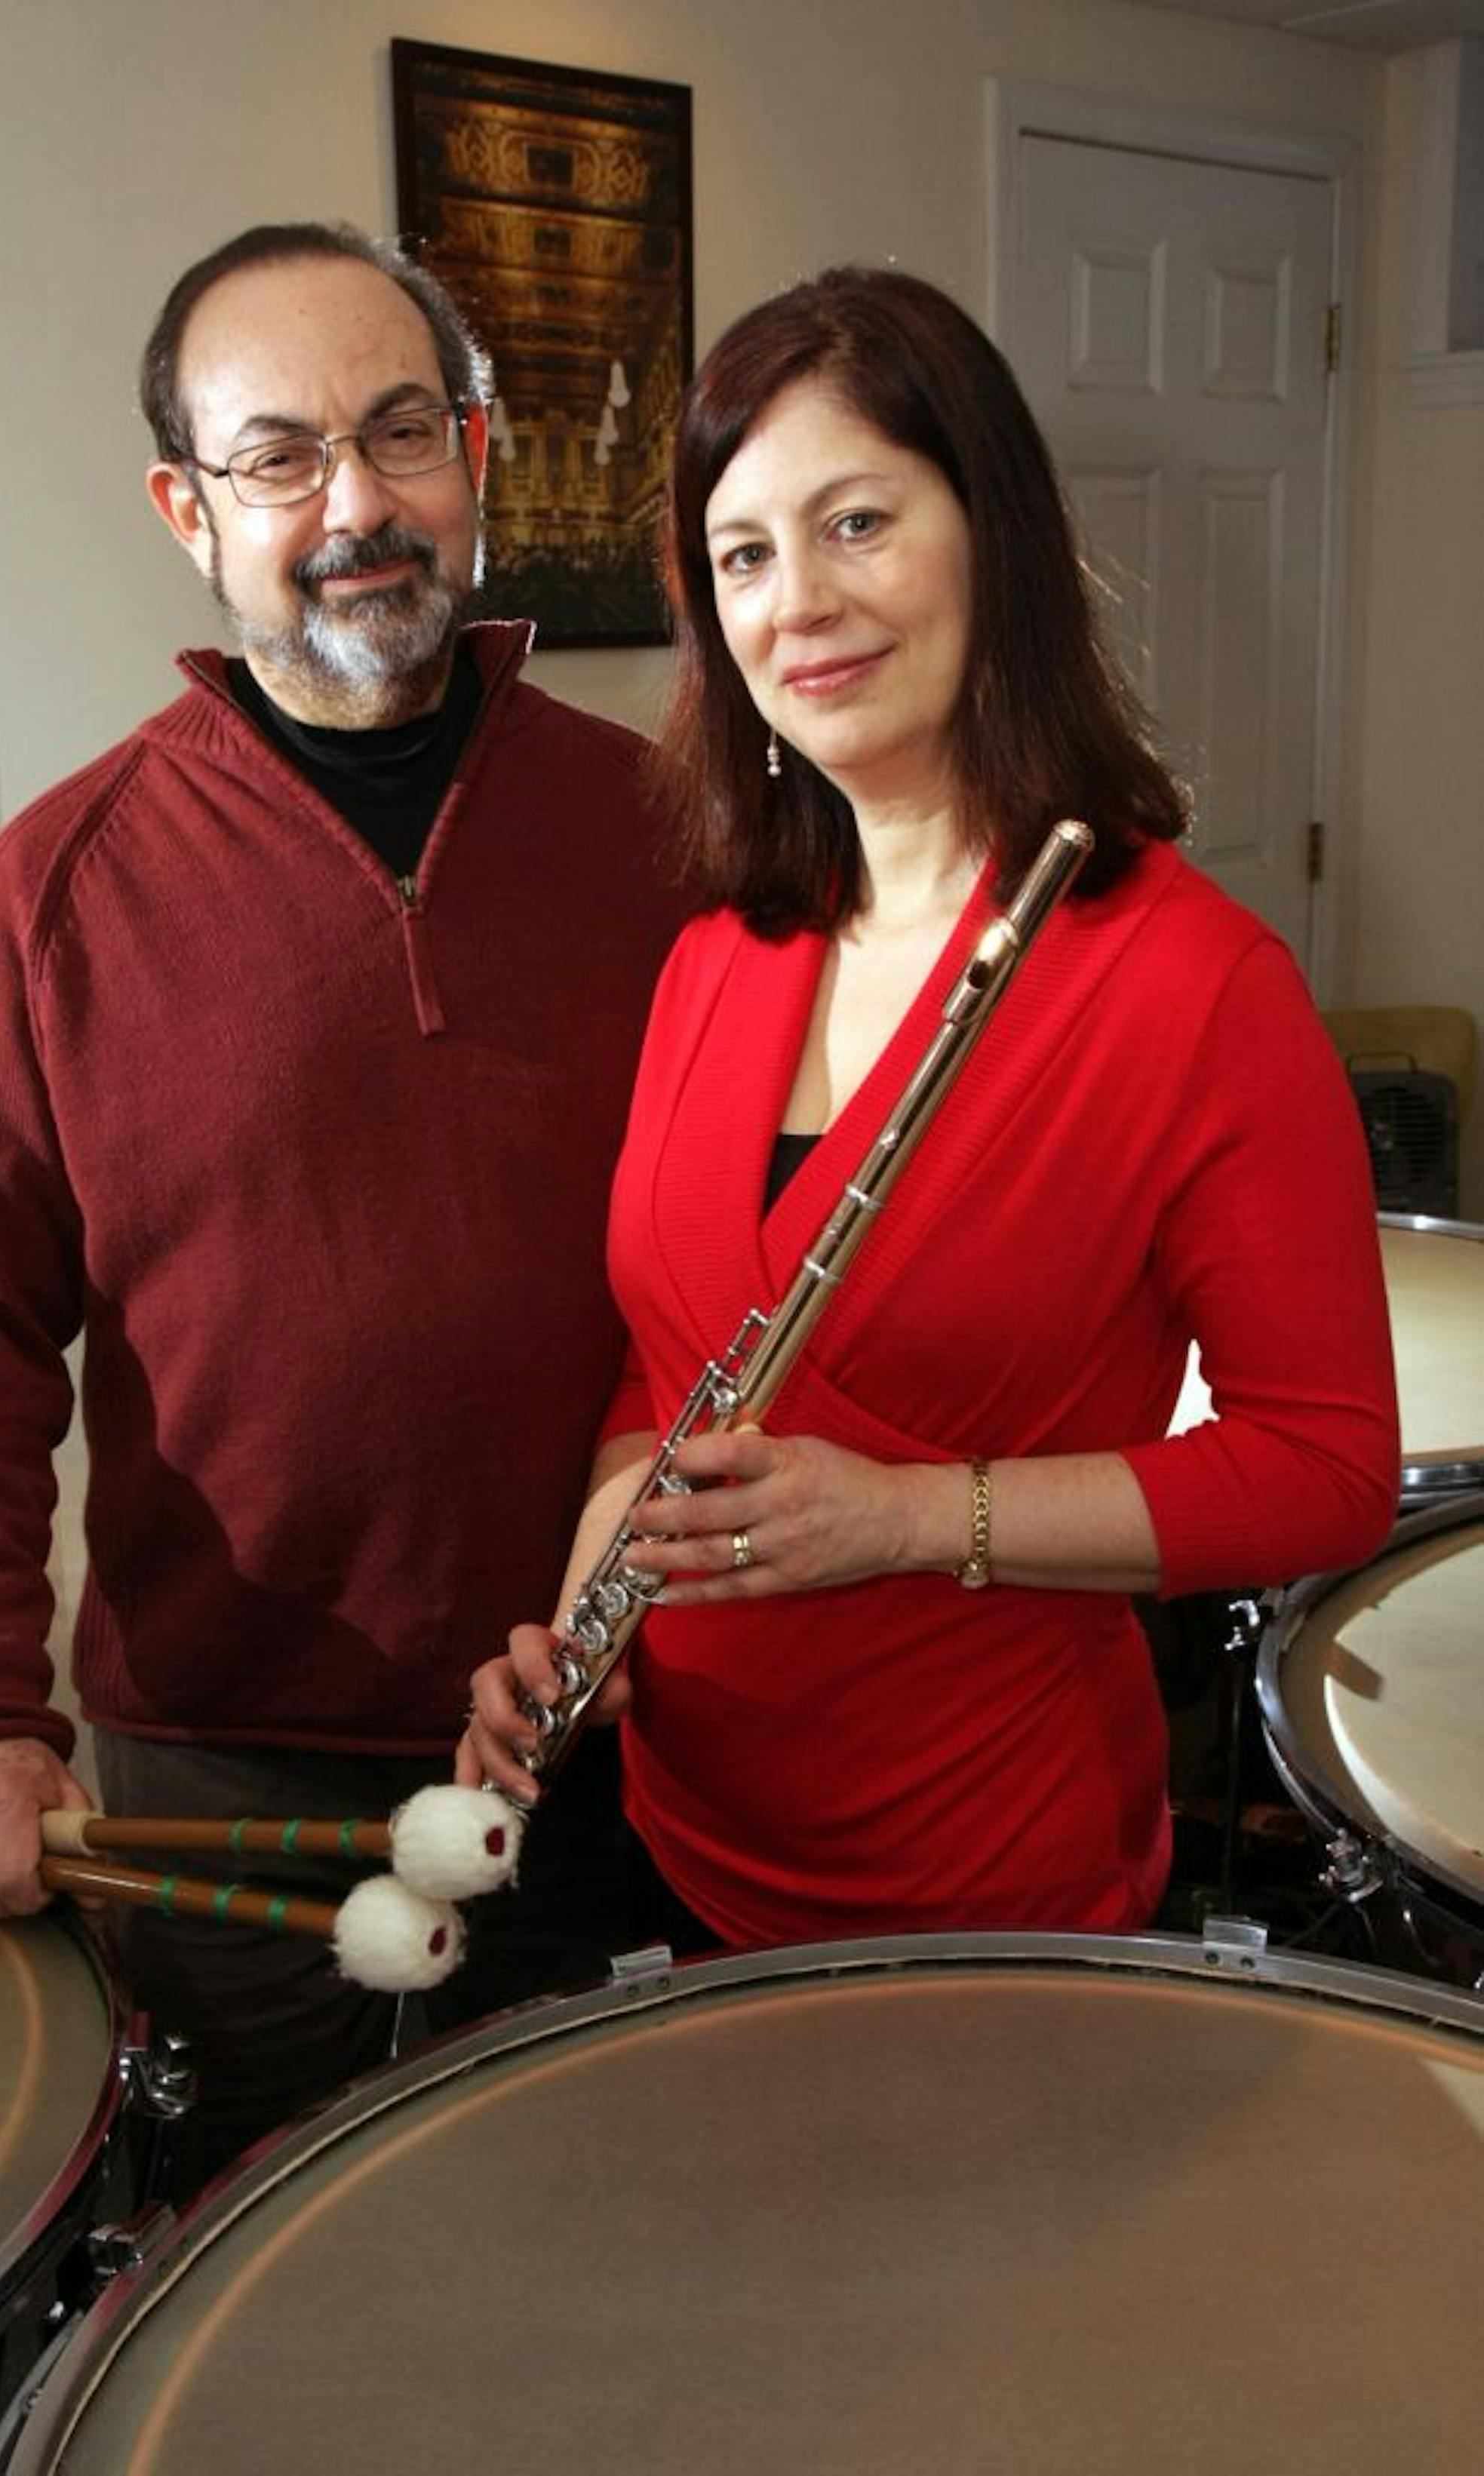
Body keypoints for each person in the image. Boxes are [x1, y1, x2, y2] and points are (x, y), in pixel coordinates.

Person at [0, 222, 681, 2194]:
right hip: (223, 1771)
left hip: (608, 1735)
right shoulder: (56, 889)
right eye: (280, 455)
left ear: (478, 456)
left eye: (401, 435)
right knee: (261, 2274)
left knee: (630, 2257)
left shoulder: (666, 828)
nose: (356, 507)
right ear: (186, 508)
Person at [461, 266, 1400, 1956]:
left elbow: (1325, 1473)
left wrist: (908, 1515)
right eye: (743, 555)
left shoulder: (1196, 984)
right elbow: (666, 1365)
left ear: (994, 537)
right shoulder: (716, 961)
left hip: (988, 1887)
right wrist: (586, 1600)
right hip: (682, 1837)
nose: (797, 603)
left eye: (858, 522)